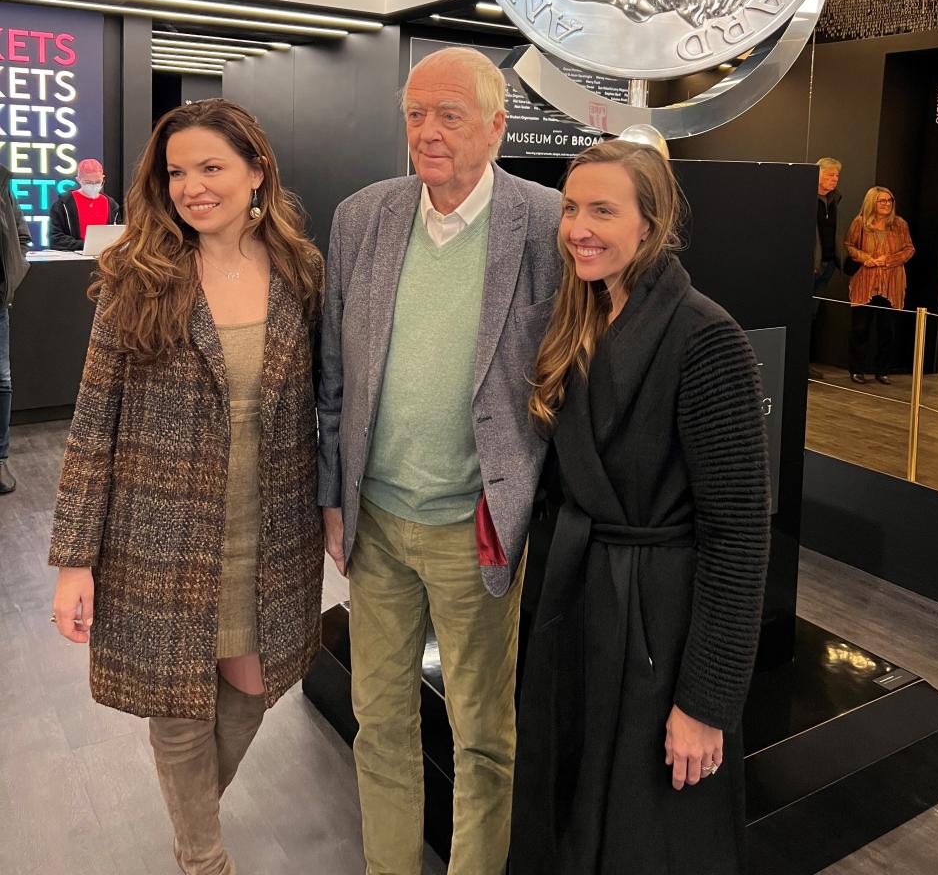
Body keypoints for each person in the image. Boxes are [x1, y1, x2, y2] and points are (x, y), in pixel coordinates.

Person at [48, 100, 324, 875]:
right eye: (177, 172)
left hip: (269, 530)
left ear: (256, 172)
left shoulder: (301, 272)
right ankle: (202, 859)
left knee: (252, 684)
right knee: (175, 702)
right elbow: (93, 420)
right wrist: (76, 558)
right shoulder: (138, 276)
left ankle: (190, 829)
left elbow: (326, 403)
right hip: (157, 531)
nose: (193, 187)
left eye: (212, 167)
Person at [318, 46, 562, 875]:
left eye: (449, 115)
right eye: (416, 114)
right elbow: (332, 376)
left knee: (483, 734)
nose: (427, 132)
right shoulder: (363, 218)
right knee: (379, 722)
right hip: (377, 523)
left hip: (479, 527)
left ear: (497, 126)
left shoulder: (549, 224)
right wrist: (330, 498)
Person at [511, 139, 770, 875]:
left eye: (603, 210)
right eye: (569, 209)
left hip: (659, 620)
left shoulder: (705, 338)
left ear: (650, 223)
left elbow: (741, 535)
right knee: (568, 807)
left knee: (646, 831)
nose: (578, 227)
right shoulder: (574, 320)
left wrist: (707, 702)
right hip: (577, 602)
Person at [845, 186, 915, 385]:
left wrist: (888, 260)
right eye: (882, 201)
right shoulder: (860, 223)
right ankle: (857, 369)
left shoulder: (900, 224)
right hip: (865, 281)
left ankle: (882, 370)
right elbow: (849, 245)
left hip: (892, 283)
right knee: (860, 328)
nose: (886, 204)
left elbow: (909, 249)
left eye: (889, 201)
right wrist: (865, 257)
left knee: (888, 329)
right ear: (871, 203)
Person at [0, 166, 30, 495]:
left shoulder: (3, 185)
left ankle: (0, 459)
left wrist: (11, 278)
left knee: (1, 379)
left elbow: (21, 237)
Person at [810, 156, 843, 380]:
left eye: (837, 175)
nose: (834, 179)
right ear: (818, 175)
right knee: (805, 313)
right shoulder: (806, 198)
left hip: (829, 264)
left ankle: (807, 362)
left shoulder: (833, 200)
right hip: (811, 266)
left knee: (813, 314)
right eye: (830, 174)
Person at [48, 158, 122, 251]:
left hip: (104, 257)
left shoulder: (111, 204)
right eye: (88, 182)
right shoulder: (64, 204)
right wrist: (85, 246)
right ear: (79, 180)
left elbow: (118, 235)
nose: (94, 186)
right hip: (73, 259)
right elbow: (55, 239)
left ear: (103, 178)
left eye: (98, 182)